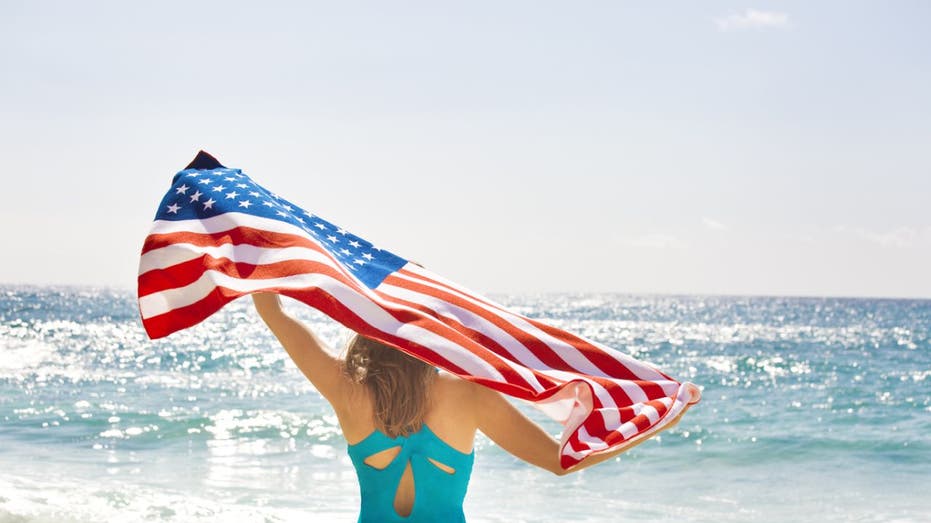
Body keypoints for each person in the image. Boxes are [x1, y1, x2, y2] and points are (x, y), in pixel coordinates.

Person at [252, 293, 699, 522]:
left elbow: (273, 313)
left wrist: (256, 239)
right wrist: (658, 419)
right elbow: (561, 462)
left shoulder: (348, 391)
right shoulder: (469, 396)